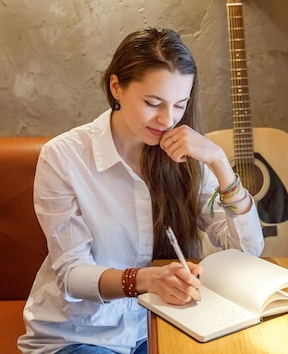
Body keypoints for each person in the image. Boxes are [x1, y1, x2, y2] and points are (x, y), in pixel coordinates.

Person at [18, 27, 265, 354]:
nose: (167, 120)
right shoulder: (64, 157)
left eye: (180, 105)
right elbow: (73, 276)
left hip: (166, 325)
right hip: (83, 334)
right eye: (153, 103)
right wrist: (146, 280)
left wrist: (219, 162)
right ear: (116, 87)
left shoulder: (187, 157)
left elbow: (247, 251)